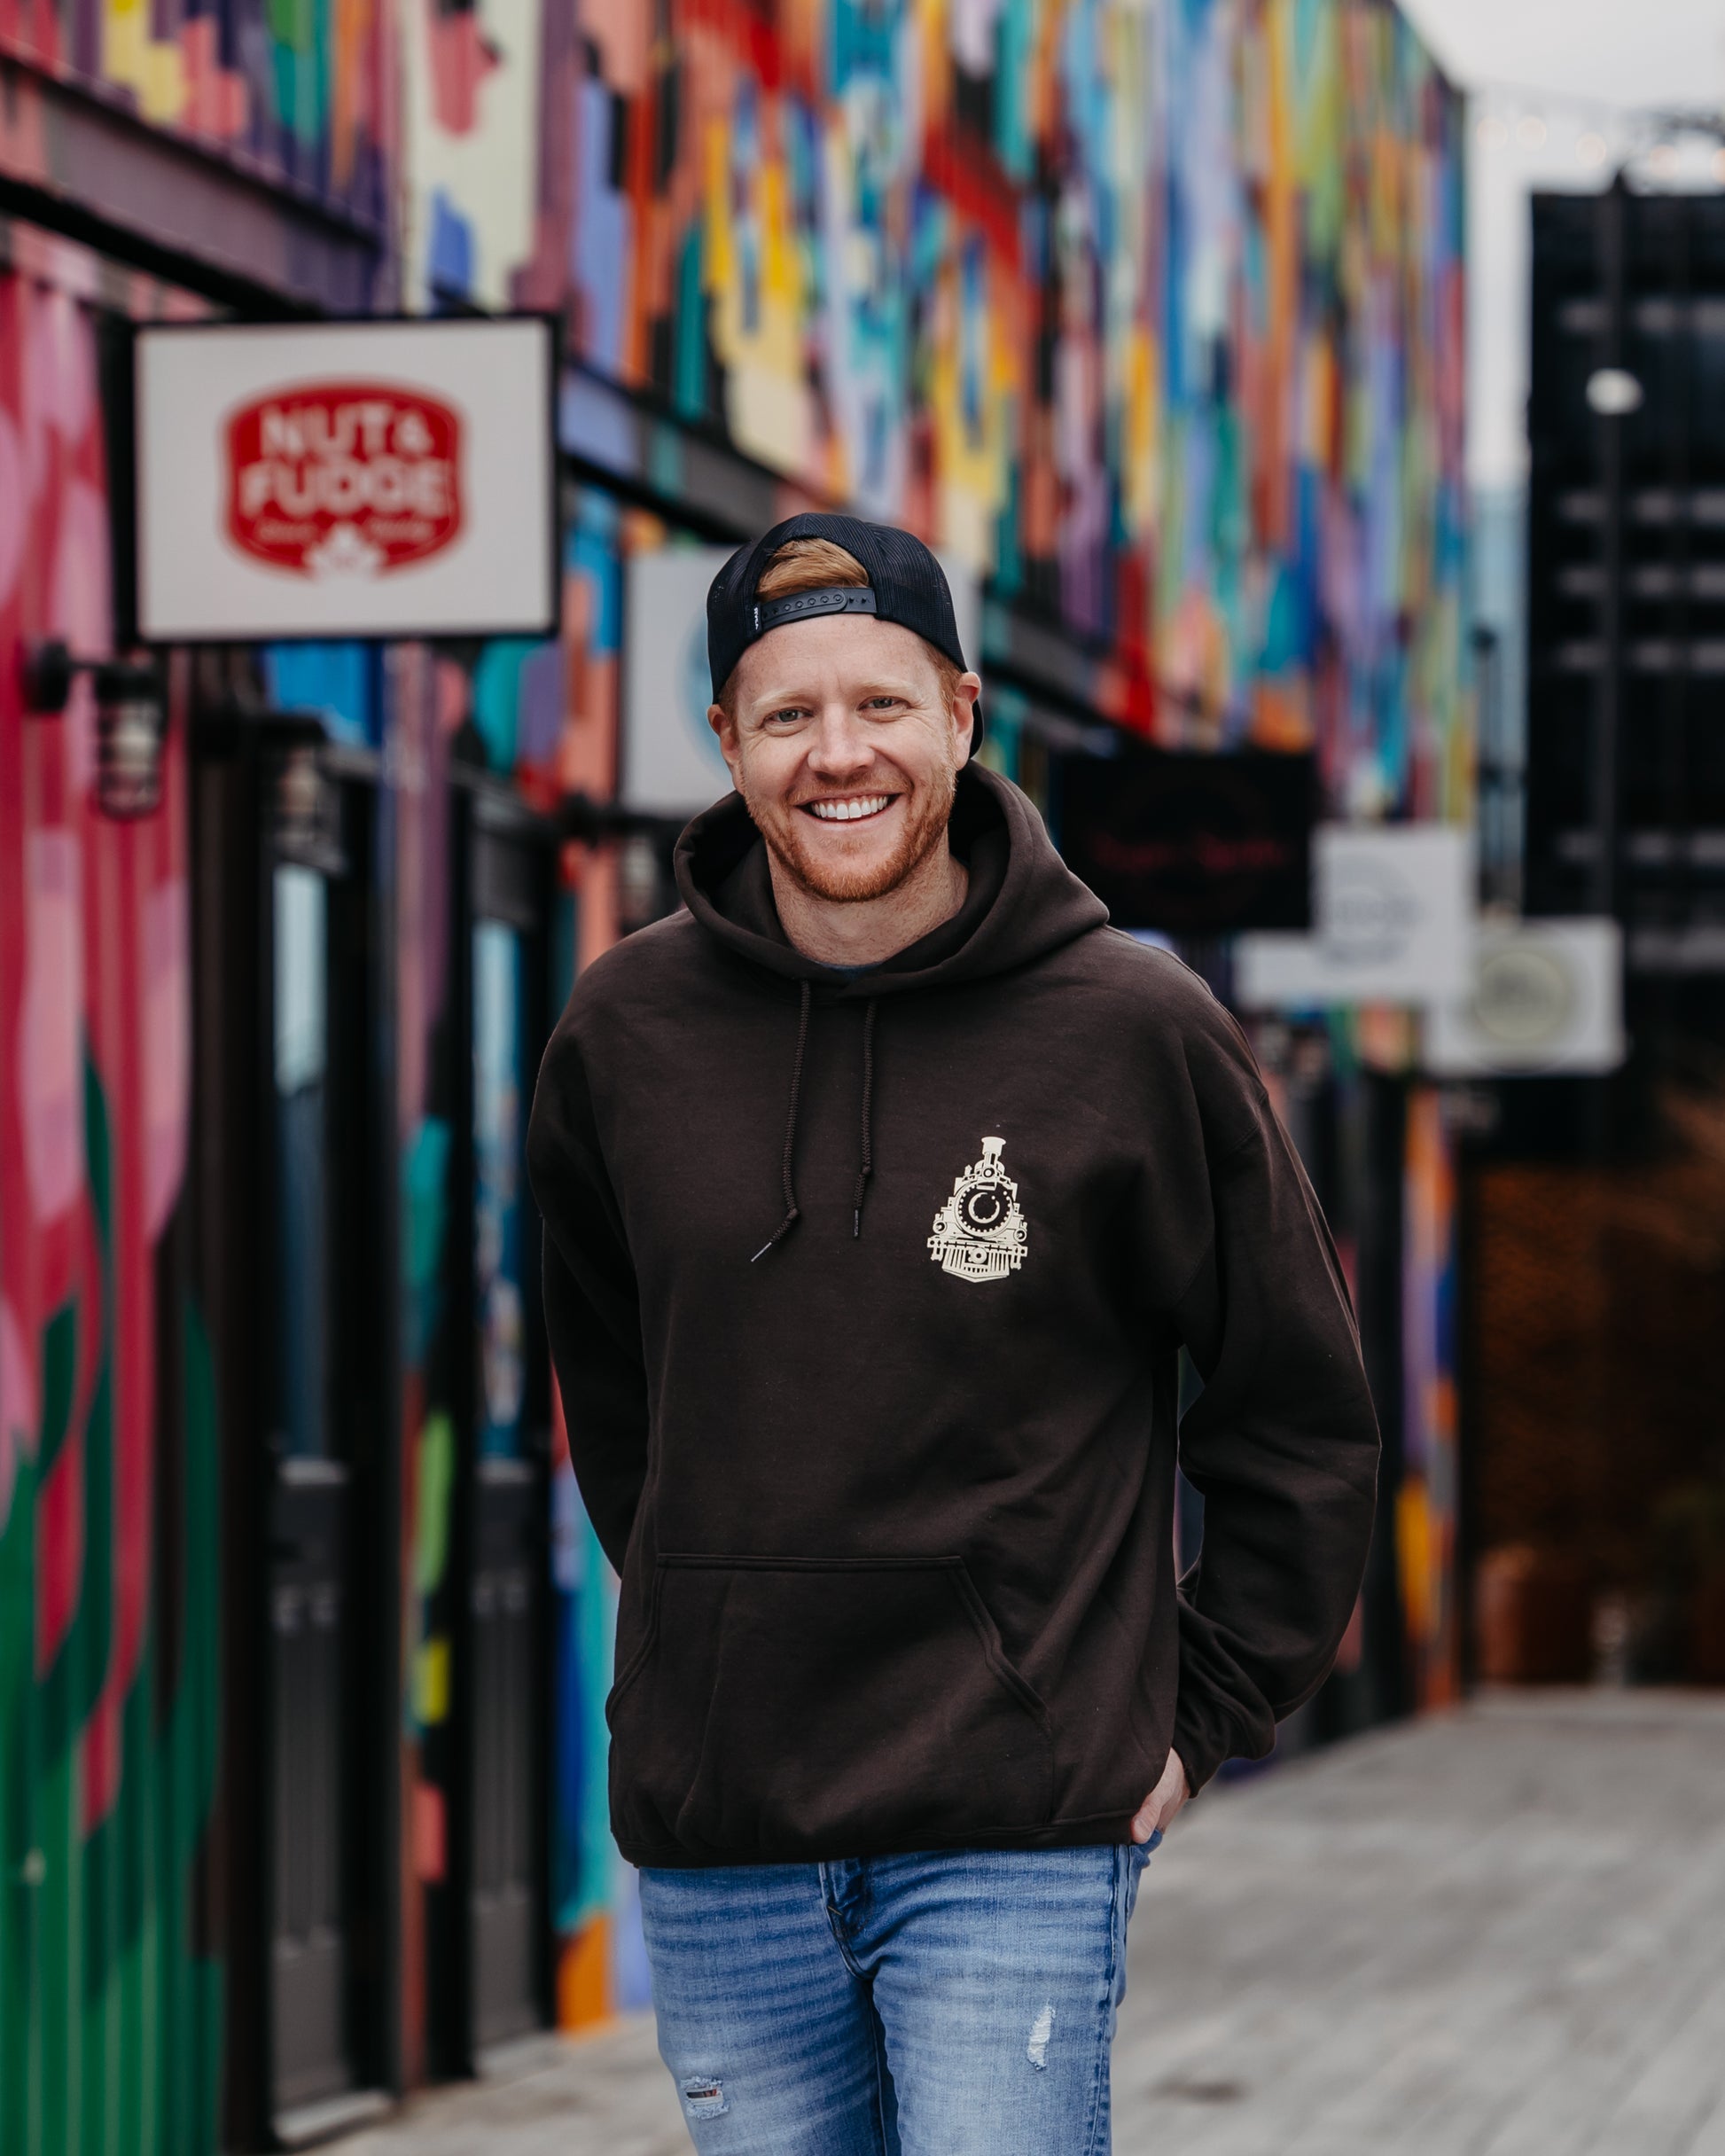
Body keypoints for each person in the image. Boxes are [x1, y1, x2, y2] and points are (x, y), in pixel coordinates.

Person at [527, 512, 1379, 2154]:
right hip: (722, 1826)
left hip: (1018, 1820)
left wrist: (1197, 1714)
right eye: (785, 716)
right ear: (725, 744)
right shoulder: (623, 1033)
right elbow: (622, 1395)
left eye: (880, 705)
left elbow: (1295, 1417)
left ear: (963, 717)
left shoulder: (1133, 1030)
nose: (837, 756)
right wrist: (714, 1640)